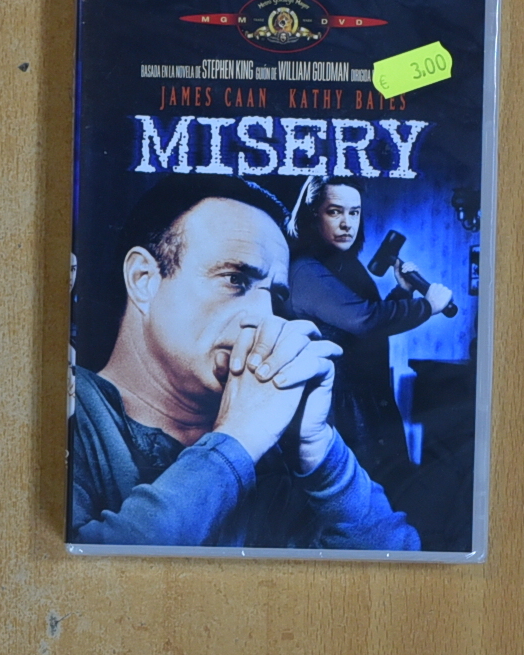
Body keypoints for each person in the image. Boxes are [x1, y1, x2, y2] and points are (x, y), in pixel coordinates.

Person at [68, 175, 420, 551]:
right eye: (235, 279)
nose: (263, 317)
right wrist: (237, 440)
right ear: (143, 279)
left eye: (277, 298)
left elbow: (397, 562)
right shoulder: (66, 409)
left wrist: (319, 450)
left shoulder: (278, 449)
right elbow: (78, 570)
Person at [285, 176, 452, 515]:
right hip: (336, 409)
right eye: (334, 211)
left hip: (367, 403)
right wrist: (427, 306)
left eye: (354, 212)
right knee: (352, 508)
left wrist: (402, 290)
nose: (347, 223)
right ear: (312, 215)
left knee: (385, 503)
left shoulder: (343, 265)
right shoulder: (306, 270)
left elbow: (364, 327)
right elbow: (365, 319)